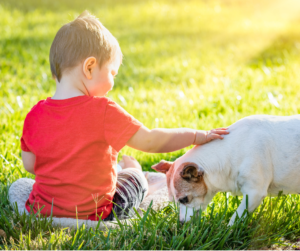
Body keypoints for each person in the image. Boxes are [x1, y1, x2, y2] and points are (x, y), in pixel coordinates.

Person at [18, 11, 228, 221]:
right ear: (89, 67)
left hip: (42, 211)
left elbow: (30, 165)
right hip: (94, 214)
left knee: (22, 187)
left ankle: (121, 171)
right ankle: (134, 171)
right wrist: (195, 136)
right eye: (112, 74)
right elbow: (151, 140)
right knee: (134, 178)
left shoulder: (34, 115)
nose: (112, 83)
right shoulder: (102, 110)